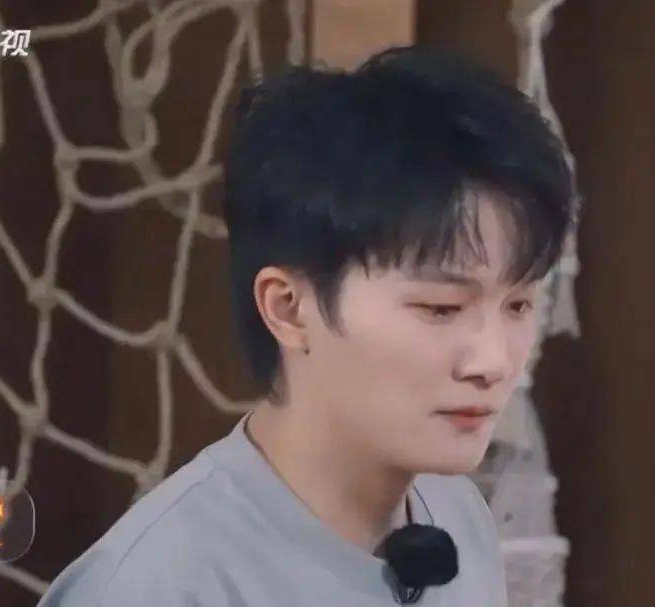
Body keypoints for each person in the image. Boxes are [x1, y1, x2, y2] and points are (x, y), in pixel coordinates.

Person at [38, 44, 574, 606]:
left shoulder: (458, 514)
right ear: (289, 308)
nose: (494, 362)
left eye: (518, 305)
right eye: (441, 308)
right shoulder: (157, 587)